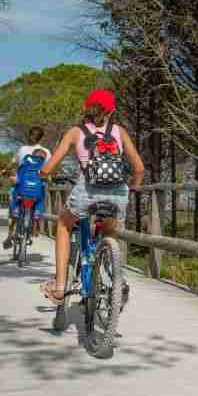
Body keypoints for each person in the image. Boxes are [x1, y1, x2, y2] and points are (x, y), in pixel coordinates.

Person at [39, 90, 145, 304]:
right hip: (118, 194)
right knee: (109, 232)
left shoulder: (75, 132)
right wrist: (131, 188)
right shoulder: (120, 131)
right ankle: (115, 279)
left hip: (87, 192)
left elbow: (48, 168)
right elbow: (139, 169)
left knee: (63, 224)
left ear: (85, 108)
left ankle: (60, 288)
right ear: (112, 111)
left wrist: (44, 174)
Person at [2, 126, 51, 249]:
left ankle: (10, 234)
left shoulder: (22, 149)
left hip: (21, 185)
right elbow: (51, 168)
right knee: (39, 199)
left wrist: (5, 170)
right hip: (38, 186)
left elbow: (13, 163)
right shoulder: (46, 152)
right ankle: (36, 221)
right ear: (42, 138)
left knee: (14, 207)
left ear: (29, 135)